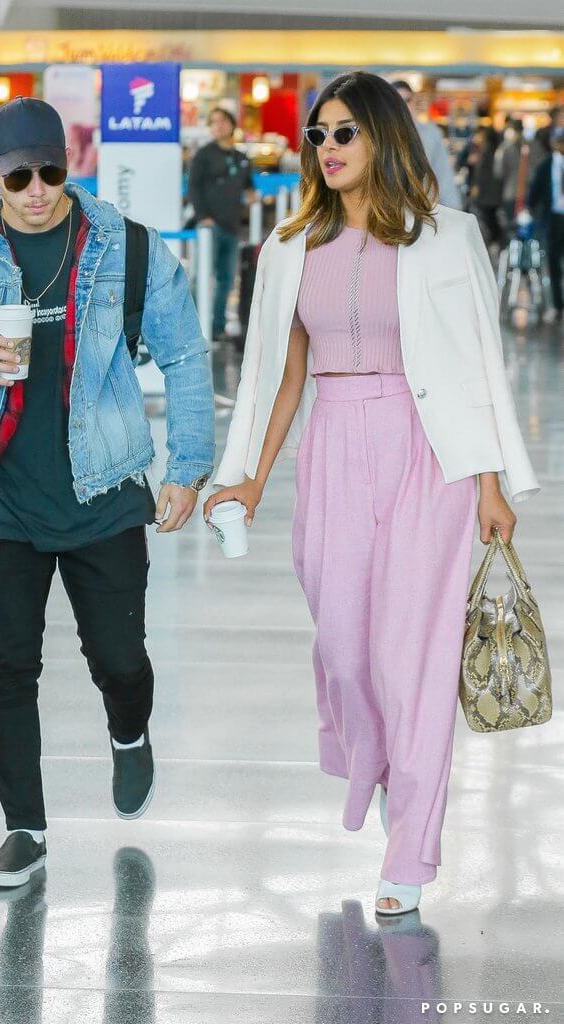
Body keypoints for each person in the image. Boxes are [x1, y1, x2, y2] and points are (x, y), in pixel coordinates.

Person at [205, 71, 539, 917]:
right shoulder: (289, 246)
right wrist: (249, 477)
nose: (327, 148)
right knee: (345, 652)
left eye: (344, 132)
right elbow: (281, 377)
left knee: (412, 656)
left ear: (383, 137)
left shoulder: (446, 236)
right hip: (332, 448)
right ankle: (383, 768)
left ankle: (411, 850)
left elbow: (475, 362)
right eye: (318, 135)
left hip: (429, 455)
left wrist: (490, 482)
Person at [0, 97, 215, 888]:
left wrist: (186, 467)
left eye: (50, 172)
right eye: (18, 176)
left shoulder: (128, 248)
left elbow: (184, 357)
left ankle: (129, 732)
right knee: (9, 666)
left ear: (71, 165)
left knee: (119, 660)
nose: (36, 190)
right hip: (2, 494)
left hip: (104, 487)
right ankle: (24, 831)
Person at [188, 107, 259, 340]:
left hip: (232, 226)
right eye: (214, 122)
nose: (219, 125)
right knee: (202, 276)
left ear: (232, 124)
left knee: (226, 280)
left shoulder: (241, 157)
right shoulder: (203, 155)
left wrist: (251, 195)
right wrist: (203, 217)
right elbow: (194, 187)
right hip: (210, 227)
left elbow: (248, 185)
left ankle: (217, 328)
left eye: (223, 121)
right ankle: (192, 328)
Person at [392, 80, 462, 210]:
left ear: (414, 101)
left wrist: (454, 210)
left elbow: (443, 173)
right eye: (397, 102)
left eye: (407, 100)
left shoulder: (431, 133)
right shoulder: (381, 135)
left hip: (425, 210)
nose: (403, 106)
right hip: (392, 210)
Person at [527, 125, 564, 323]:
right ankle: (557, 305)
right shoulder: (546, 165)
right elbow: (534, 193)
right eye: (559, 141)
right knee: (554, 263)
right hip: (554, 220)